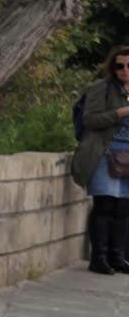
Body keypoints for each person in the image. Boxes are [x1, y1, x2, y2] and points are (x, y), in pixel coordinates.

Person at [70, 45, 129, 274]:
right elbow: (90, 120)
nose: (125, 70)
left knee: (123, 208)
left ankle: (118, 256)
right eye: (120, 66)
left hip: (128, 158)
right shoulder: (101, 88)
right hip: (105, 154)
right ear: (112, 68)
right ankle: (99, 257)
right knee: (105, 205)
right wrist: (121, 113)